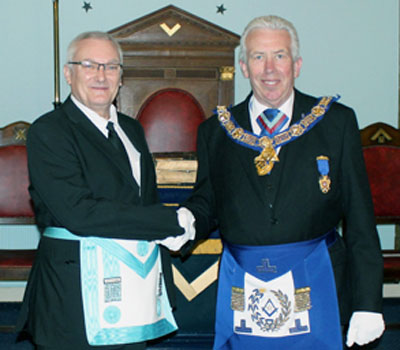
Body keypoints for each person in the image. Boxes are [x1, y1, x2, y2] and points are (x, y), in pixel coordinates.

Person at [182, 15, 385, 349]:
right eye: (258, 57)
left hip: (319, 280)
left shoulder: (336, 122)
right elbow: (208, 202)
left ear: (297, 64)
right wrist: (190, 220)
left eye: (280, 56)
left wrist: (368, 302)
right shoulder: (215, 131)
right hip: (243, 283)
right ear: (245, 67)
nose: (270, 69)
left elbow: (360, 219)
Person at [16, 31, 194, 350]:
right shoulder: (49, 131)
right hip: (74, 296)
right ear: (69, 74)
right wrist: (167, 222)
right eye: (90, 65)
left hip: (135, 287)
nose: (101, 75)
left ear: (121, 78)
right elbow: (79, 213)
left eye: (111, 67)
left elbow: (143, 200)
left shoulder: (132, 129)